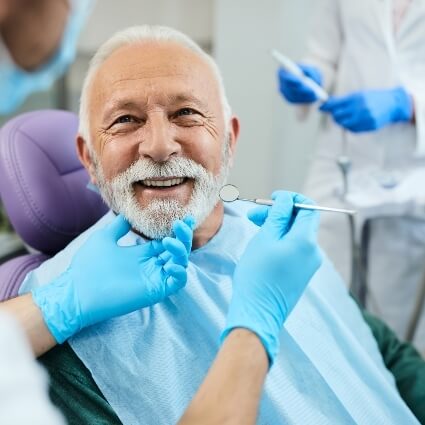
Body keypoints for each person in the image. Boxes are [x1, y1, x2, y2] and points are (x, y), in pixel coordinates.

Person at [3, 24, 423, 424]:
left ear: (230, 141)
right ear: (88, 159)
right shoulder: (59, 324)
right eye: (125, 120)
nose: (160, 147)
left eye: (186, 113)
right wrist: (256, 324)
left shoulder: (278, 245)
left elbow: (385, 358)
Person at [277, 0, 425, 349]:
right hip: (340, 164)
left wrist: (409, 104)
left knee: (393, 335)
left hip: (414, 176)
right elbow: (324, 54)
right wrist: (310, 78)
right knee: (315, 310)